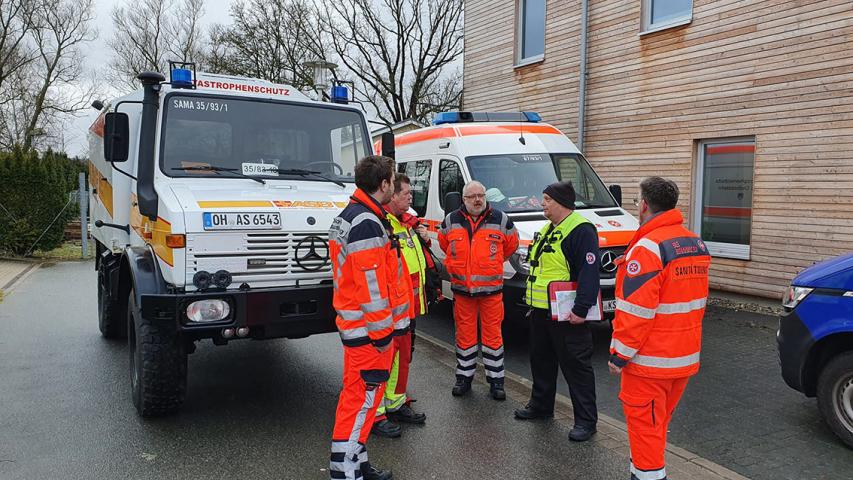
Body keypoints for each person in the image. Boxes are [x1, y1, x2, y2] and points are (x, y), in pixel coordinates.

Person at [608, 177, 711, 480]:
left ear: (644, 205)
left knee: (646, 434)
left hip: (648, 364)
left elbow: (635, 312)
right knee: (655, 428)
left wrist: (619, 355)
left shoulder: (648, 248)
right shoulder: (694, 243)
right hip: (683, 359)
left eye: (636, 200)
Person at [328, 155, 412, 480]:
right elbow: (372, 288)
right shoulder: (366, 221)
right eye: (393, 180)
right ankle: (347, 472)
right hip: (369, 336)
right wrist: (382, 336)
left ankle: (356, 463)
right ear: (384, 184)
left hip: (359, 330)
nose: (395, 185)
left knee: (358, 401)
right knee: (360, 404)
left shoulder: (356, 215)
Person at [514, 180, 601, 442]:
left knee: (576, 367)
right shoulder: (547, 229)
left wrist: (581, 309)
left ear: (561, 202)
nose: (543, 204)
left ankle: (586, 421)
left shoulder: (581, 230)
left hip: (567, 314)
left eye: (547, 200)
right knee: (541, 362)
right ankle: (541, 406)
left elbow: (589, 271)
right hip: (541, 311)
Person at [438, 180, 519, 400]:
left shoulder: (501, 219)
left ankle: (496, 382)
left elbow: (511, 246)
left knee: (493, 339)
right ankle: (464, 378)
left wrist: (487, 264)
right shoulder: (451, 220)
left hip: (491, 293)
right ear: (464, 200)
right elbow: (444, 243)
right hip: (463, 292)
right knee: (465, 337)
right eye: (472, 196)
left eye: (480, 195)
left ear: (485, 197)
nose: (477, 200)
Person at [371, 174, 429, 438]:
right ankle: (376, 414)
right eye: (405, 193)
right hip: (390, 307)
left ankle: (395, 403)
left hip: (407, 307)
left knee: (402, 358)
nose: (410, 197)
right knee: (383, 361)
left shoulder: (406, 223)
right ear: (391, 195)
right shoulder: (384, 225)